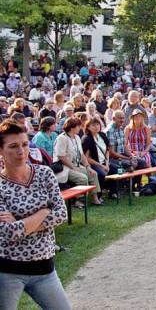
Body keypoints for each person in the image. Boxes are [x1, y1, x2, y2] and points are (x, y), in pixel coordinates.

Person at [0, 121, 70, 309]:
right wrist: (44, 211)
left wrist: (21, 224)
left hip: (45, 270)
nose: (21, 151)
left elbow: (62, 214)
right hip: (8, 272)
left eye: (24, 144)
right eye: (13, 146)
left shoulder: (43, 174)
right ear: (1, 151)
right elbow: (8, 232)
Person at [54, 117, 103, 206]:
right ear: (72, 128)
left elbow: (82, 155)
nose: (80, 128)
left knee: (93, 174)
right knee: (82, 178)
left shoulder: (76, 137)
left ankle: (95, 198)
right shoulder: (62, 138)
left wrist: (88, 167)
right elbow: (61, 156)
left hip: (76, 166)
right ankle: (78, 201)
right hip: (65, 168)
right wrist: (73, 167)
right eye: (78, 126)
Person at [82, 118, 118, 199]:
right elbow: (86, 158)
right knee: (101, 174)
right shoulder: (86, 139)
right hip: (93, 163)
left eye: (97, 124)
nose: (96, 127)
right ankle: (98, 195)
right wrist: (102, 166)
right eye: (93, 125)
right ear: (88, 127)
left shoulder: (102, 135)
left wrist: (107, 163)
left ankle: (112, 192)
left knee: (115, 169)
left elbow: (107, 150)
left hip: (104, 162)